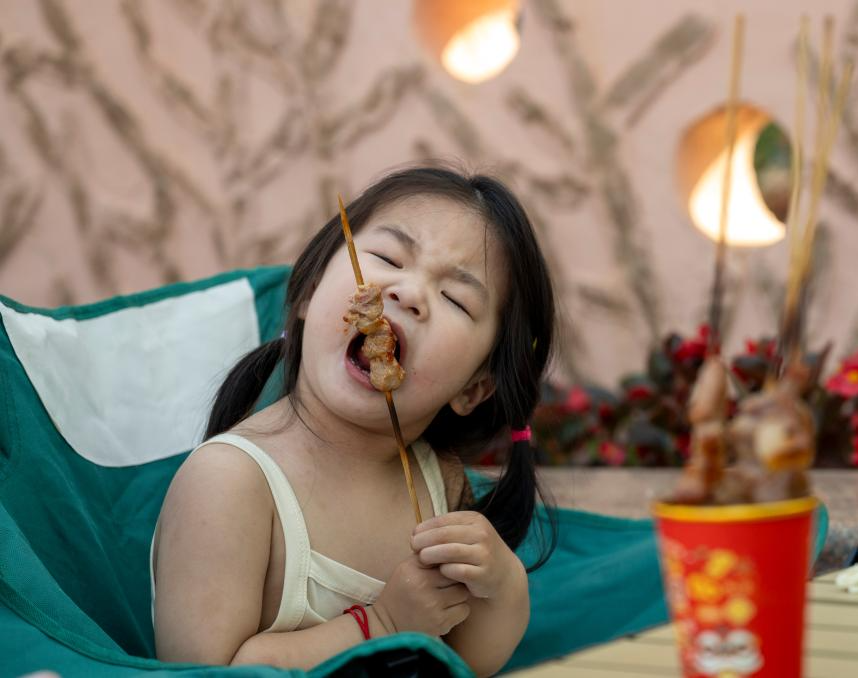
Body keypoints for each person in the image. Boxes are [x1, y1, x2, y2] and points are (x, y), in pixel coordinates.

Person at [150, 166, 556, 677]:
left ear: (473, 388)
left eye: (455, 298)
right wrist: (381, 623)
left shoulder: (438, 481)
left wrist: (502, 584)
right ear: (308, 291)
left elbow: (468, 660)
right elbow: (204, 671)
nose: (408, 293)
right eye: (388, 259)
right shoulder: (229, 483)